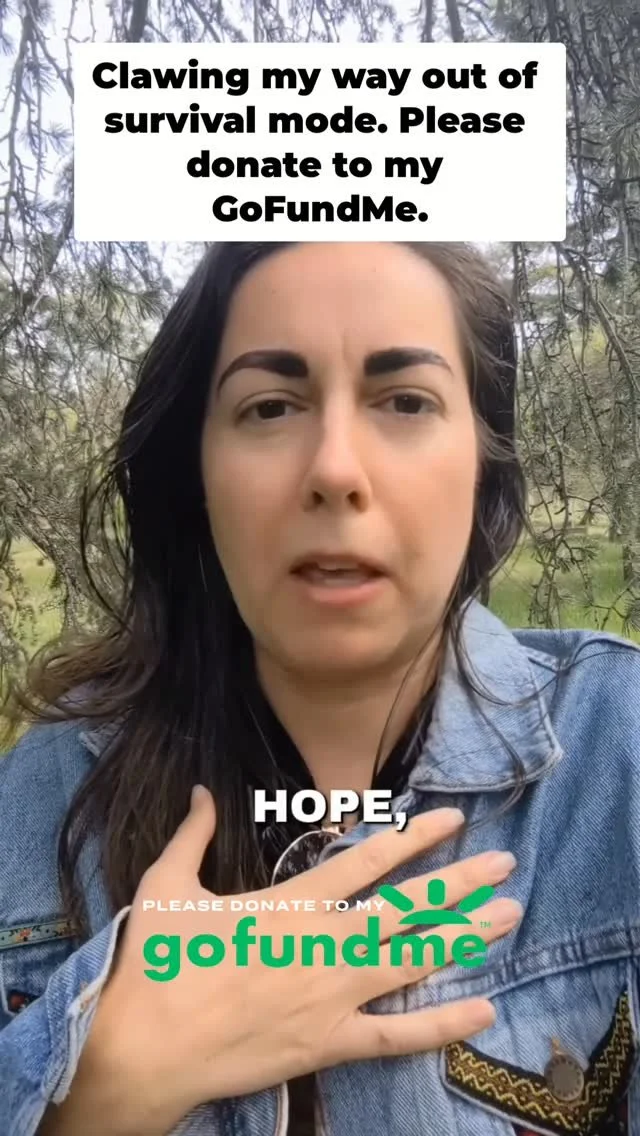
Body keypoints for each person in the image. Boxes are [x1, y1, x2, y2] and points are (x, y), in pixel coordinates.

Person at [1, 240, 639, 1136]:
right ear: (198, 475)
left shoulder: (619, 744)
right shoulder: (51, 790)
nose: (335, 469)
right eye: (269, 407)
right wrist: (97, 1093)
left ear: (482, 462)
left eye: (406, 401)